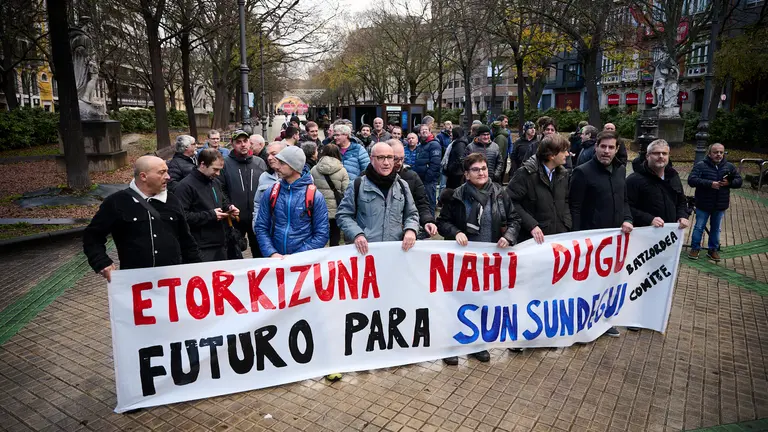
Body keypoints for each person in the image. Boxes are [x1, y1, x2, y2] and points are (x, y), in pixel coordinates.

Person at [437, 152, 521, 364]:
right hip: (461, 261)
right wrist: (455, 231)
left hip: (488, 261)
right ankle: (451, 346)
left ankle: (477, 344)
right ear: (466, 174)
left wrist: (509, 236)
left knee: (482, 301)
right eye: (476, 169)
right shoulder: (456, 196)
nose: (481, 172)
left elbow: (514, 220)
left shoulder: (500, 194)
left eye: (484, 168)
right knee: (457, 302)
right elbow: (442, 222)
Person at [83, 156, 201, 281]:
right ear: (143, 176)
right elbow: (92, 236)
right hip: (135, 284)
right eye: (162, 172)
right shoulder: (116, 202)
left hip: (172, 282)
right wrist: (102, 262)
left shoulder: (173, 201)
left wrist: (199, 270)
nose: (168, 177)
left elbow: (186, 240)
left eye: (167, 171)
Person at [569, 130, 633, 338]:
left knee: (608, 282)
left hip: (614, 240)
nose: (606, 151)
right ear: (595, 147)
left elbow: (624, 200)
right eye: (603, 146)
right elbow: (575, 207)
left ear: (616, 150)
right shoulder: (582, 172)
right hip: (590, 241)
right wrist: (577, 238)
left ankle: (603, 320)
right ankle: (581, 322)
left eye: (611, 147)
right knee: (586, 283)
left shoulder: (620, 170)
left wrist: (628, 218)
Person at [336, 142, 420, 255]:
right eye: (381, 158)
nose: (386, 163)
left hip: (395, 251)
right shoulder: (357, 185)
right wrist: (357, 234)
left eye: (390, 157)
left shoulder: (402, 185)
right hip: (366, 253)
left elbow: (412, 214)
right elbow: (343, 215)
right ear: (371, 159)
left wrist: (411, 229)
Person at [254, 146, 329, 258]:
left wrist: (296, 257)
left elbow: (321, 234)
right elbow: (261, 226)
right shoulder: (272, 192)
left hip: (303, 263)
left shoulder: (314, 196)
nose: (277, 166)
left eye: (282, 163)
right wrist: (271, 253)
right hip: (275, 261)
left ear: (294, 166)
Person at [175, 149, 240, 262]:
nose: (218, 174)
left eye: (220, 170)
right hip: (201, 247)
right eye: (215, 169)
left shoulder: (215, 182)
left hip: (221, 243)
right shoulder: (185, 186)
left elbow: (223, 202)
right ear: (203, 164)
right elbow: (182, 217)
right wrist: (210, 215)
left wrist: (229, 208)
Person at [507, 133, 571, 244]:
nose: (567, 154)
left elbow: (565, 200)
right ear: (552, 155)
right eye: (563, 151)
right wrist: (531, 225)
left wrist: (566, 224)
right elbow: (510, 201)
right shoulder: (525, 174)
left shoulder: (563, 174)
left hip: (559, 238)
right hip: (534, 241)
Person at [687, 143, 742, 261]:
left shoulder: (729, 166)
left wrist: (729, 183)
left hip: (720, 204)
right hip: (703, 203)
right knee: (699, 227)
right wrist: (710, 184)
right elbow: (691, 180)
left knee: (716, 228)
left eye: (721, 152)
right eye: (716, 152)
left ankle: (713, 250)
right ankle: (695, 248)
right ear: (709, 153)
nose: (719, 155)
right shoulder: (701, 165)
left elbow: (739, 181)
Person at [220, 130, 268, 258]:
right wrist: (228, 206)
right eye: (238, 142)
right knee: (234, 254)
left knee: (260, 254)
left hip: (256, 217)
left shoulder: (259, 162)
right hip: (235, 218)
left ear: (250, 143)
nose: (243, 145)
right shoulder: (225, 164)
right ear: (232, 144)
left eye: (245, 141)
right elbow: (221, 189)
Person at [388, 139, 438, 238]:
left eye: (402, 159)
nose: (399, 163)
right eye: (395, 159)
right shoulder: (366, 179)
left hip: (405, 232)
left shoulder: (412, 176)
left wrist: (427, 221)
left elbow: (422, 203)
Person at [310, 144, 350, 247]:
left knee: (319, 233)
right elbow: (346, 191)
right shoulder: (342, 170)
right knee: (335, 233)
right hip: (336, 207)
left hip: (318, 207)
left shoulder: (314, 169)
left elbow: (310, 188)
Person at [413, 124, 443, 216]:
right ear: (419, 133)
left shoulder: (434, 144)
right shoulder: (420, 146)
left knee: (430, 202)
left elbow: (435, 163)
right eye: (422, 130)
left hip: (428, 181)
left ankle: (431, 223)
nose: (424, 131)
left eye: (426, 129)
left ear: (430, 132)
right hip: (420, 179)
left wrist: (428, 177)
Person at [253, 141, 287, 218]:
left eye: (274, 154)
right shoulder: (264, 176)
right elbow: (258, 203)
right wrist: (256, 222)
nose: (269, 158)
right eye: (268, 155)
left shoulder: (296, 176)